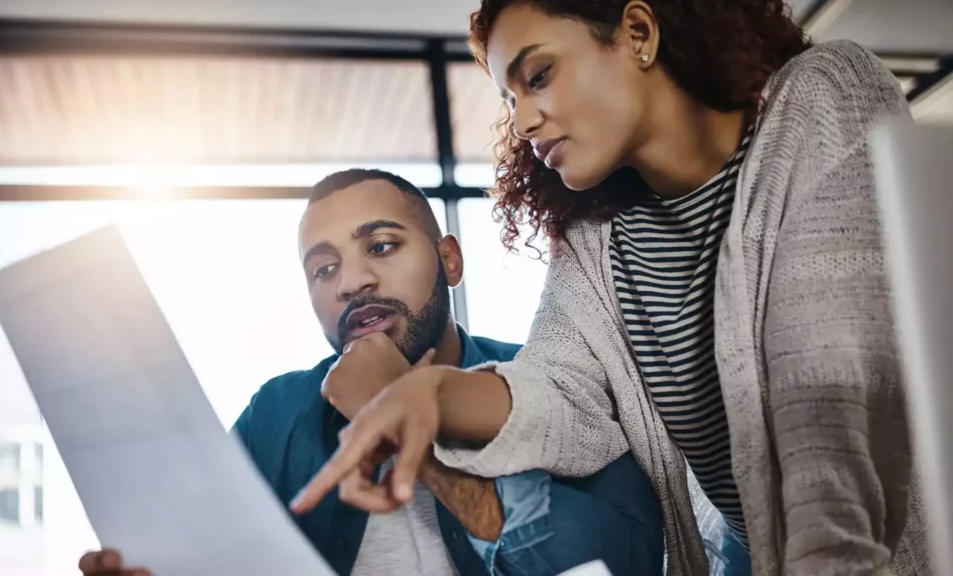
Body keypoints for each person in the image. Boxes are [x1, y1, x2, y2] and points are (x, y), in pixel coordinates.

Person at [291, 2, 931, 575]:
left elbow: (832, 391)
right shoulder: (600, 237)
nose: (525, 122)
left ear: (638, 32)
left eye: (538, 77)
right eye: (510, 101)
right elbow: (559, 390)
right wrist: (431, 391)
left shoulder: (824, 95)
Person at [77, 169, 664, 576]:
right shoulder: (275, 415)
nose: (350, 282)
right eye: (323, 269)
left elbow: (626, 564)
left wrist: (407, 420)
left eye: (380, 246)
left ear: (450, 260)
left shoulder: (550, 379)